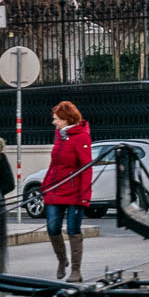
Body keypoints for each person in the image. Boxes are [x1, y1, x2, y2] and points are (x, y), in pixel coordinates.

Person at [42, 101, 93, 282]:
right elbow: (54, 164)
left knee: (73, 230)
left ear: (66, 119)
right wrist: (45, 186)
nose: (54, 122)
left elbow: (86, 169)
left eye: (56, 119)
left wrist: (85, 196)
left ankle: (76, 271)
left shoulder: (82, 138)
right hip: (55, 191)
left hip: (75, 194)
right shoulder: (60, 136)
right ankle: (62, 260)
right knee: (52, 227)